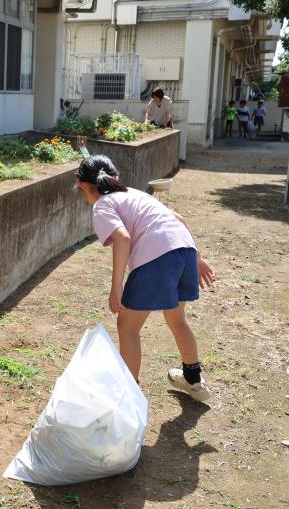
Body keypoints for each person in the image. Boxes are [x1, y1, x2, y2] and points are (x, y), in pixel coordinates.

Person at [74, 155, 216, 402]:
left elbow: (123, 238)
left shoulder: (103, 204)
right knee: (177, 319)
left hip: (157, 257)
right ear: (116, 178)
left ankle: (130, 396)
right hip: (184, 250)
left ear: (83, 185)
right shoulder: (134, 193)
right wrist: (198, 258)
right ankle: (194, 381)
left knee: (127, 327)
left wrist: (116, 285)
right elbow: (179, 219)